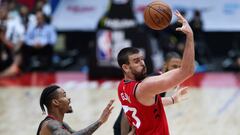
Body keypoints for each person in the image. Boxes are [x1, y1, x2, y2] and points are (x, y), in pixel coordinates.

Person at [117, 10, 195, 135]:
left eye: (142, 59)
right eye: (136, 61)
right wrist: (190, 36)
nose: (142, 63)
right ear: (126, 67)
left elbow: (147, 104)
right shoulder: (146, 86)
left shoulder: (122, 87)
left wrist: (173, 99)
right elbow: (187, 71)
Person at [113, 52, 187, 135]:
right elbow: (125, 111)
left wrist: (173, 99)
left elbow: (154, 104)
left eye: (179, 67)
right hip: (125, 128)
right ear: (165, 65)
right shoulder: (154, 81)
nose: (176, 70)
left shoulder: (162, 82)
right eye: (174, 66)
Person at [37, 85, 114, 135]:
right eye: (64, 96)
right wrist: (100, 121)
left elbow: (78, 133)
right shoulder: (51, 124)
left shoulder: (62, 124)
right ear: (55, 102)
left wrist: (101, 121)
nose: (68, 98)